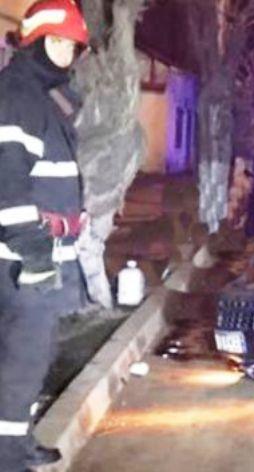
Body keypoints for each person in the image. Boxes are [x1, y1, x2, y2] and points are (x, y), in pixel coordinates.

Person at [0, 1, 89, 470]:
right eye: (55, 42)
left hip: (41, 251)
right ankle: (9, 456)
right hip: (22, 256)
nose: (64, 53)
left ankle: (18, 441)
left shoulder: (43, 95)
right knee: (24, 358)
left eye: (71, 46)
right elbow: (7, 179)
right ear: (33, 43)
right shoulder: (19, 95)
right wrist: (32, 250)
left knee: (30, 357)